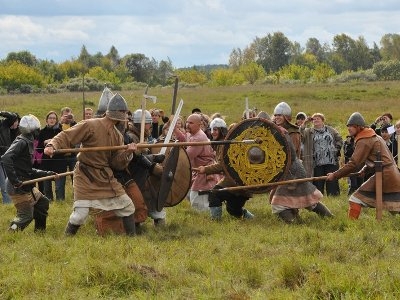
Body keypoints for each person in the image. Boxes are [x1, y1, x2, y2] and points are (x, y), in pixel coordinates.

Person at [44, 94, 138, 236]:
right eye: (124, 113)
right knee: (80, 215)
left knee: (127, 206)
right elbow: (66, 136)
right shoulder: (90, 124)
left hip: (105, 177)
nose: (125, 116)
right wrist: (52, 145)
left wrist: (127, 153)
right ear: (118, 113)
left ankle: (132, 241)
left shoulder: (117, 135)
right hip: (85, 175)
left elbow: (115, 164)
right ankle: (66, 240)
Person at [327, 112, 400, 219]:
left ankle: (350, 227)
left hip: (386, 175)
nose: (349, 129)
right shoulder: (373, 135)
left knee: (355, 199)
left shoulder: (365, 140)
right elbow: (378, 158)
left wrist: (335, 175)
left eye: (351, 126)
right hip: (389, 173)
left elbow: (353, 163)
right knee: (395, 206)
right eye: (348, 126)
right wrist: (365, 169)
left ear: (358, 127)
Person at [271, 103, 333, 223]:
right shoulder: (277, 130)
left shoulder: (292, 132)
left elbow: (292, 153)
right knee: (306, 200)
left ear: (286, 116)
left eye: (280, 115)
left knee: (282, 203)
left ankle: (296, 223)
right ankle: (298, 221)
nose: (277, 117)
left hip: (293, 170)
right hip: (287, 171)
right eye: (276, 115)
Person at [1, 114, 55, 232]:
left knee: (42, 203)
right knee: (25, 216)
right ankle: (11, 231)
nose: (39, 132)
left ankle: (40, 232)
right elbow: (6, 158)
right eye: (37, 130)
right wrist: (15, 180)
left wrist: (47, 173)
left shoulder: (28, 141)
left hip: (26, 184)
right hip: (17, 187)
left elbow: (28, 170)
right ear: (32, 130)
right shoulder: (22, 142)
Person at [196, 117, 254, 220]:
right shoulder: (221, 144)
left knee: (214, 194)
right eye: (212, 129)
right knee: (233, 209)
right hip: (233, 179)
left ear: (222, 131)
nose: (213, 132)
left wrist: (205, 169)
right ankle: (251, 219)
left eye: (216, 129)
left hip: (236, 180)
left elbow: (222, 165)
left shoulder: (225, 145)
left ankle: (216, 221)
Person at [125, 109, 166, 227]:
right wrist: (153, 160)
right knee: (145, 199)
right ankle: (139, 225)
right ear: (143, 124)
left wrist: (153, 157)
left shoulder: (139, 135)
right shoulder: (132, 137)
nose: (150, 127)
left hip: (141, 175)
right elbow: (136, 158)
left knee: (148, 199)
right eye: (149, 124)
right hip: (135, 175)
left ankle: (142, 224)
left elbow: (142, 155)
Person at [175, 113, 219, 212]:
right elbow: (184, 139)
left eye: (191, 123)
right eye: (187, 122)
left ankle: (210, 217)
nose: (187, 125)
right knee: (188, 193)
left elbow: (186, 156)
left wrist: (171, 158)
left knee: (197, 200)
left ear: (199, 125)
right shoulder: (192, 134)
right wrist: (175, 129)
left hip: (204, 171)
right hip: (197, 170)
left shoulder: (199, 138)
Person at [300, 113, 343, 196]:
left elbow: (339, 139)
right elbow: (300, 135)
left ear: (322, 120)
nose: (316, 120)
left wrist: (336, 149)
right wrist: (304, 123)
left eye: (318, 118)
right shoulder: (308, 131)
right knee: (318, 183)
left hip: (331, 161)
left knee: (332, 182)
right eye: (314, 119)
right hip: (317, 162)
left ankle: (334, 198)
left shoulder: (330, 130)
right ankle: (319, 199)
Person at [37, 111, 65, 201]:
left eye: (54, 118)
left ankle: (61, 204)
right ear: (46, 120)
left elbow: (65, 147)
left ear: (56, 120)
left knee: (59, 188)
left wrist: (54, 143)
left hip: (59, 163)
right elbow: (38, 149)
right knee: (47, 188)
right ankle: (49, 204)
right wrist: (44, 142)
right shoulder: (41, 132)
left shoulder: (61, 132)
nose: (52, 120)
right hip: (46, 164)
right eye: (50, 118)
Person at [0, 111, 20, 204]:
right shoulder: (3, 125)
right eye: (16, 122)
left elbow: (13, 115)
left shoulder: (5, 125)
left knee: (6, 183)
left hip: (5, 157)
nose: (17, 123)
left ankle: (8, 205)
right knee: (4, 184)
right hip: (3, 155)